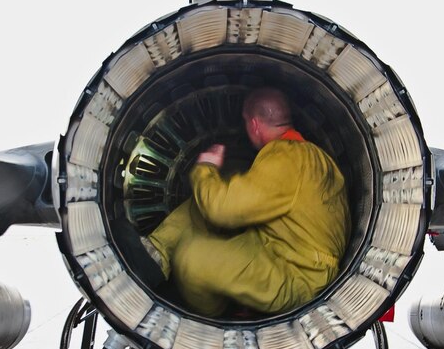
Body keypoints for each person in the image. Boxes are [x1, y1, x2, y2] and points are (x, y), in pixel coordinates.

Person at [139, 88, 349, 318]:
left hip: (300, 276)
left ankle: (216, 318)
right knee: (217, 189)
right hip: (278, 248)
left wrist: (205, 168)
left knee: (191, 259)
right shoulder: (313, 156)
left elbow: (221, 210)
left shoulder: (288, 156)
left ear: (255, 124)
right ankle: (156, 254)